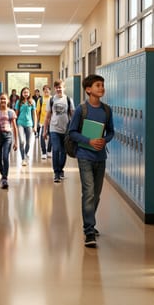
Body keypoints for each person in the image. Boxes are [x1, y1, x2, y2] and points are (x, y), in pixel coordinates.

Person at [67, 74, 114, 247]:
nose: (102, 88)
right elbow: (72, 132)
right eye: (98, 85)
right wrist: (89, 141)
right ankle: (89, 230)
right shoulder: (81, 110)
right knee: (88, 192)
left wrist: (104, 140)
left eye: (103, 85)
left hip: (101, 157)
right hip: (84, 156)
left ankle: (89, 221)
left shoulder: (107, 110)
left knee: (96, 194)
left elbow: (111, 131)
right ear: (88, 90)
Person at [44, 79, 73, 183]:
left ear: (64, 88)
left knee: (63, 151)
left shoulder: (69, 100)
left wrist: (74, 130)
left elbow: (72, 115)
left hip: (66, 130)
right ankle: (56, 172)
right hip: (54, 129)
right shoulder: (51, 100)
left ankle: (61, 169)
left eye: (60, 87)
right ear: (55, 89)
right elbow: (47, 117)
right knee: (55, 149)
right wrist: (44, 130)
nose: (58, 89)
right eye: (57, 87)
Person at [0, 93, 18, 189]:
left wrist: (16, 142)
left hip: (8, 136)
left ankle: (5, 178)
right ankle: (2, 175)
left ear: (8, 101)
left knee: (5, 157)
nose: (3, 100)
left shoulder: (11, 112)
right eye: (1, 99)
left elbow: (15, 127)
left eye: (5, 99)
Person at [14, 87, 36, 166]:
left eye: (27, 92)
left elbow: (34, 115)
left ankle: (26, 153)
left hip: (29, 124)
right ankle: (23, 158)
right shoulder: (18, 102)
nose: (25, 94)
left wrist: (35, 126)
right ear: (22, 93)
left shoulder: (32, 102)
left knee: (28, 143)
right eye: (24, 92)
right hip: (20, 123)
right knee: (21, 141)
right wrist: (13, 124)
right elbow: (16, 113)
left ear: (29, 93)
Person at [37, 84, 52, 159]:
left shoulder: (53, 99)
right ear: (43, 91)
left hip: (52, 122)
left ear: (50, 90)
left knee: (52, 137)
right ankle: (43, 152)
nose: (46, 90)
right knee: (42, 136)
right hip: (43, 121)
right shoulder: (40, 100)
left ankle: (49, 151)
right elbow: (37, 112)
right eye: (45, 89)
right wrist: (37, 122)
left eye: (48, 89)